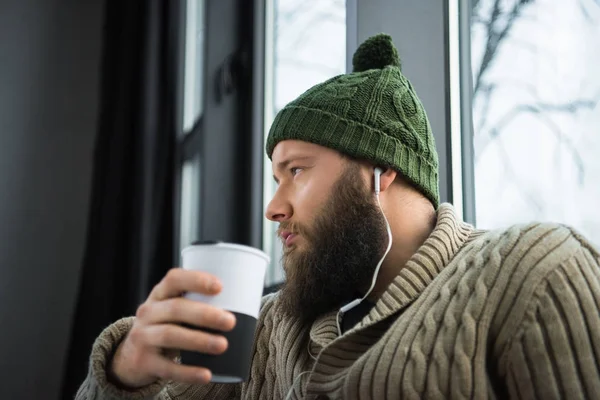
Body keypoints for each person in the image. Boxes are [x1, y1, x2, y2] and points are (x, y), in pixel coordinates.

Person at [76, 34, 600, 400]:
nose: (272, 206)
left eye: (296, 171)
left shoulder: (532, 272)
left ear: (381, 170)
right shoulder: (267, 328)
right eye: (274, 178)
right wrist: (124, 374)